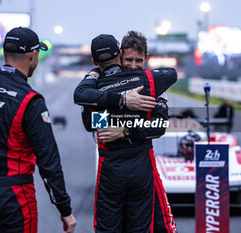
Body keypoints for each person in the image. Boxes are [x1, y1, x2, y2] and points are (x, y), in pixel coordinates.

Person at [0, 27, 76, 233]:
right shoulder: (30, 100)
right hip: (15, 196)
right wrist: (64, 209)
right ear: (33, 55)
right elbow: (48, 160)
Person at [74, 33, 177, 232]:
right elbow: (91, 124)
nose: (132, 65)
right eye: (128, 60)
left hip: (125, 164)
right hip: (130, 165)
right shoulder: (149, 82)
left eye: (138, 60)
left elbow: (159, 126)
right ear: (120, 56)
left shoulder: (96, 88)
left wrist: (123, 129)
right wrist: (124, 102)